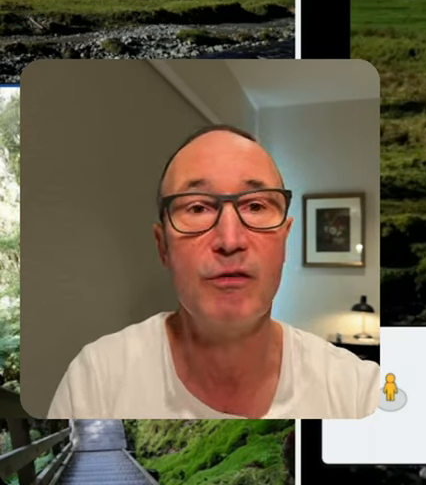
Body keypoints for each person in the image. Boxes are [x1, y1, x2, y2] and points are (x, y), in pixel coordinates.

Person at [47, 125, 378, 418]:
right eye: (197, 207)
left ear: (285, 240)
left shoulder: (358, 392)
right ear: (163, 246)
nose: (230, 240)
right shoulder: (95, 381)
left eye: (256, 205)